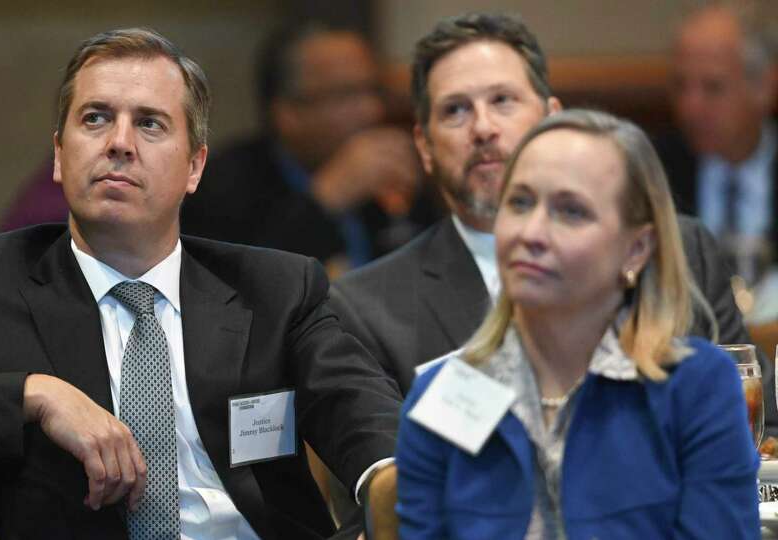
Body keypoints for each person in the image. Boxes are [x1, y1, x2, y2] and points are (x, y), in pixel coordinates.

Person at [0, 28, 401, 540]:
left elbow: (363, 414)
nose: (119, 142)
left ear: (194, 167)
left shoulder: (274, 288)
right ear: (59, 154)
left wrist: (387, 493)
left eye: (149, 123)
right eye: (96, 118)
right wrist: (32, 395)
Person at [329, 13, 765, 411]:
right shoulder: (367, 309)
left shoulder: (678, 247)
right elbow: (380, 490)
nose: (483, 128)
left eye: (502, 100)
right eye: (456, 110)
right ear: (424, 145)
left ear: (551, 118)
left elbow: (759, 427)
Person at [397, 108, 760, 538]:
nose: (530, 232)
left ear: (636, 249)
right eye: (519, 203)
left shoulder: (694, 387)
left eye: (570, 212)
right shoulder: (442, 396)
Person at [180, 23, 439, 277]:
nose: (372, 110)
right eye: (347, 95)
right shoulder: (218, 186)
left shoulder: (389, 171)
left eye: (373, 90)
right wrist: (325, 199)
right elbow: (234, 289)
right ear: (288, 114)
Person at [655, 2, 777, 278]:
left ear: (764, 88)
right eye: (681, 85)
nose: (690, 107)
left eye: (713, 87)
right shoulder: (654, 170)